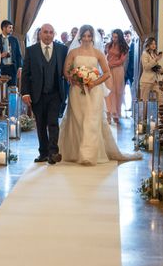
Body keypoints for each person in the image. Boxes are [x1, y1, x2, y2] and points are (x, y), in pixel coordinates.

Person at [58, 25, 141, 165]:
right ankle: (76, 151)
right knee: (78, 120)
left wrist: (94, 83)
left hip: (93, 90)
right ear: (80, 37)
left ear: (92, 37)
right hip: (77, 91)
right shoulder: (73, 52)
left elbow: (107, 73)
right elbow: (66, 71)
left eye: (89, 36)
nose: (86, 38)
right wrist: (74, 78)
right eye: (84, 36)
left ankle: (88, 155)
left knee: (91, 120)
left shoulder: (98, 53)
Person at [21, 23, 67, 165]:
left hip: (55, 93)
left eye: (50, 32)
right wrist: (25, 93)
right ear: (40, 34)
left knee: (53, 122)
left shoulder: (62, 50)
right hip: (37, 93)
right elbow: (26, 74)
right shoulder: (31, 50)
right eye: (45, 32)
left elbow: (67, 71)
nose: (48, 35)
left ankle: (53, 152)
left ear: (54, 34)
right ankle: (43, 153)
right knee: (40, 124)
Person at [105, 29, 129, 124]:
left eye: (116, 37)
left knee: (118, 92)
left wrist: (111, 64)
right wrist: (107, 63)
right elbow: (106, 56)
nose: (114, 39)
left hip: (118, 70)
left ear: (120, 37)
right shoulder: (109, 45)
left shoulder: (124, 47)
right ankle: (108, 113)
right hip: (109, 70)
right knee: (109, 91)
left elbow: (121, 61)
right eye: (113, 37)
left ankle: (116, 114)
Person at [0, 19, 22, 86]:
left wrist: (20, 67)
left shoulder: (14, 40)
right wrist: (0, 55)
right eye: (10, 27)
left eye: (12, 28)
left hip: (12, 68)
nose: (11, 29)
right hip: (0, 68)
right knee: (0, 89)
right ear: (4, 28)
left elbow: (18, 55)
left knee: (12, 90)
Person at [139, 36, 163, 103]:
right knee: (144, 101)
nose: (154, 45)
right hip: (146, 80)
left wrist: (160, 70)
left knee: (161, 98)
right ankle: (144, 113)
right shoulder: (145, 54)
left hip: (155, 80)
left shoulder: (154, 54)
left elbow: (153, 67)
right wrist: (156, 59)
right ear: (148, 44)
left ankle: (159, 113)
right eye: (152, 44)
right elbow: (146, 67)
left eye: (155, 44)